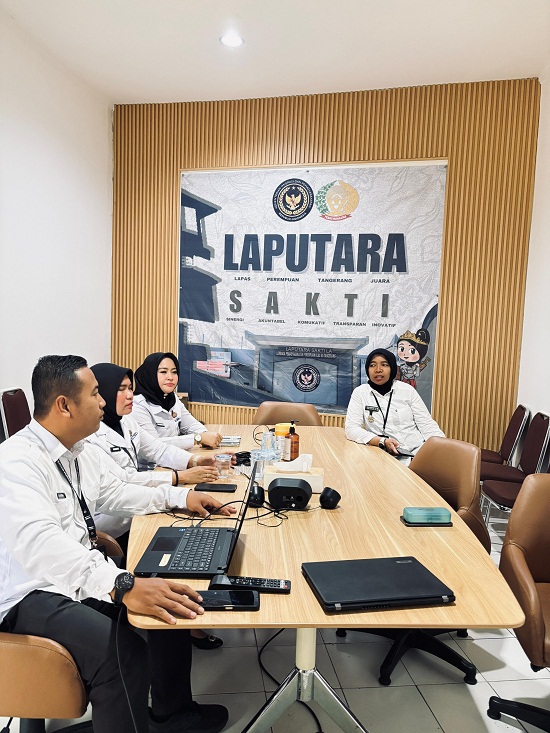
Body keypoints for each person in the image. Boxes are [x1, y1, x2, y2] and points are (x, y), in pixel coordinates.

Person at [0, 355, 234, 733]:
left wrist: (182, 498)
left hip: (73, 577)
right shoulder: (17, 461)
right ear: (64, 405)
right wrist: (121, 584)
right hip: (29, 594)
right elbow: (40, 544)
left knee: (164, 609)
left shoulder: (75, 451)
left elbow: (117, 492)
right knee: (123, 654)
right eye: (95, 394)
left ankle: (170, 716)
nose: (103, 402)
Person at [87, 361, 224, 651]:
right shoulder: (89, 438)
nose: (129, 395)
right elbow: (120, 487)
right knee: (175, 544)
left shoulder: (125, 421)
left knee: (187, 531)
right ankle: (179, 622)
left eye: (130, 388)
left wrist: (192, 461)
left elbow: (155, 450)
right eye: (121, 389)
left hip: (132, 502)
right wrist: (178, 479)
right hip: (110, 523)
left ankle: (187, 616)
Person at [345, 348, 444, 462]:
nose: (378, 369)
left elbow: (427, 425)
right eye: (372, 365)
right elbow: (351, 429)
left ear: (392, 368)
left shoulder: (407, 390)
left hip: (417, 453)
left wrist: (442, 448)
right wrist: (381, 441)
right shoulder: (360, 393)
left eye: (384, 365)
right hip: (383, 457)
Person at [133, 353, 223, 467]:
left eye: (174, 372)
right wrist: (198, 439)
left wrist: (205, 435)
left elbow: (191, 424)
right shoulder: (137, 405)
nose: (170, 377)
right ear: (150, 374)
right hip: (151, 469)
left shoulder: (171, 398)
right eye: (163, 372)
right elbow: (155, 447)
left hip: (174, 461)